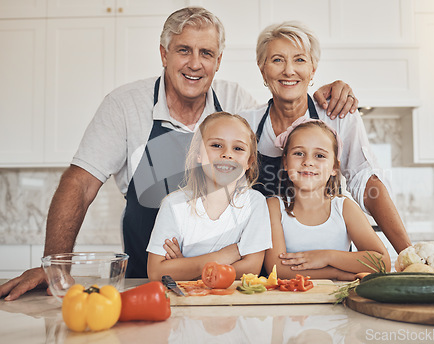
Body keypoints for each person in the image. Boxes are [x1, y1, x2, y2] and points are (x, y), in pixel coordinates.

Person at [0, 7, 356, 300]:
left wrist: (318, 93)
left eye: (206, 53)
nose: (195, 64)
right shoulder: (125, 107)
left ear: (218, 60)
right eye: (184, 50)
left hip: (229, 292)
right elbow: (79, 184)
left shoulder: (238, 105)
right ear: (164, 54)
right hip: (147, 285)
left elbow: (286, 121)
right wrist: (55, 266)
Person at [240, 21, 411, 274]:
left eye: (299, 60)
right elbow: (226, 190)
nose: (289, 71)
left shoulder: (337, 114)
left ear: (313, 69)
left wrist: (410, 256)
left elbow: (366, 181)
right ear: (262, 70)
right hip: (263, 266)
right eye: (277, 60)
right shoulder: (245, 124)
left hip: (331, 267)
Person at [147, 112, 271, 281]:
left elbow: (251, 269)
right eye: (216, 145)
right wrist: (226, 255)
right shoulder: (173, 205)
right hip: (185, 302)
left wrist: (186, 267)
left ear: (249, 162)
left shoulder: (255, 203)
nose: (227, 154)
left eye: (238, 148)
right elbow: (156, 272)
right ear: (199, 154)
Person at [264, 119, 391, 279]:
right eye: (298, 153)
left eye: (319, 155)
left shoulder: (344, 208)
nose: (308, 162)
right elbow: (277, 269)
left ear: (334, 168)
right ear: (285, 162)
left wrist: (326, 257)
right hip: (291, 301)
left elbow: (382, 262)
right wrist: (336, 273)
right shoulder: (274, 207)